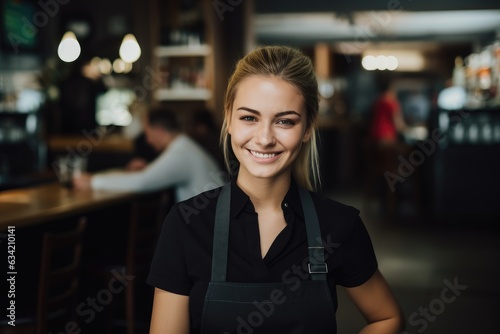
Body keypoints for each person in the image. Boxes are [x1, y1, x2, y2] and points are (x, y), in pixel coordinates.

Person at [147, 46, 404, 333]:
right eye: (249, 118)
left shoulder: (339, 225)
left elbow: (388, 318)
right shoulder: (186, 224)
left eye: (284, 121)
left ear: (307, 128)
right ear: (229, 119)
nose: (265, 138)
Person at [72, 107, 224, 202]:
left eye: (147, 133)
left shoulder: (181, 152)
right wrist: (149, 168)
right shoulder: (184, 146)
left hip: (211, 233)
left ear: (158, 131)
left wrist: (93, 181)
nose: (148, 140)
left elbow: (141, 183)